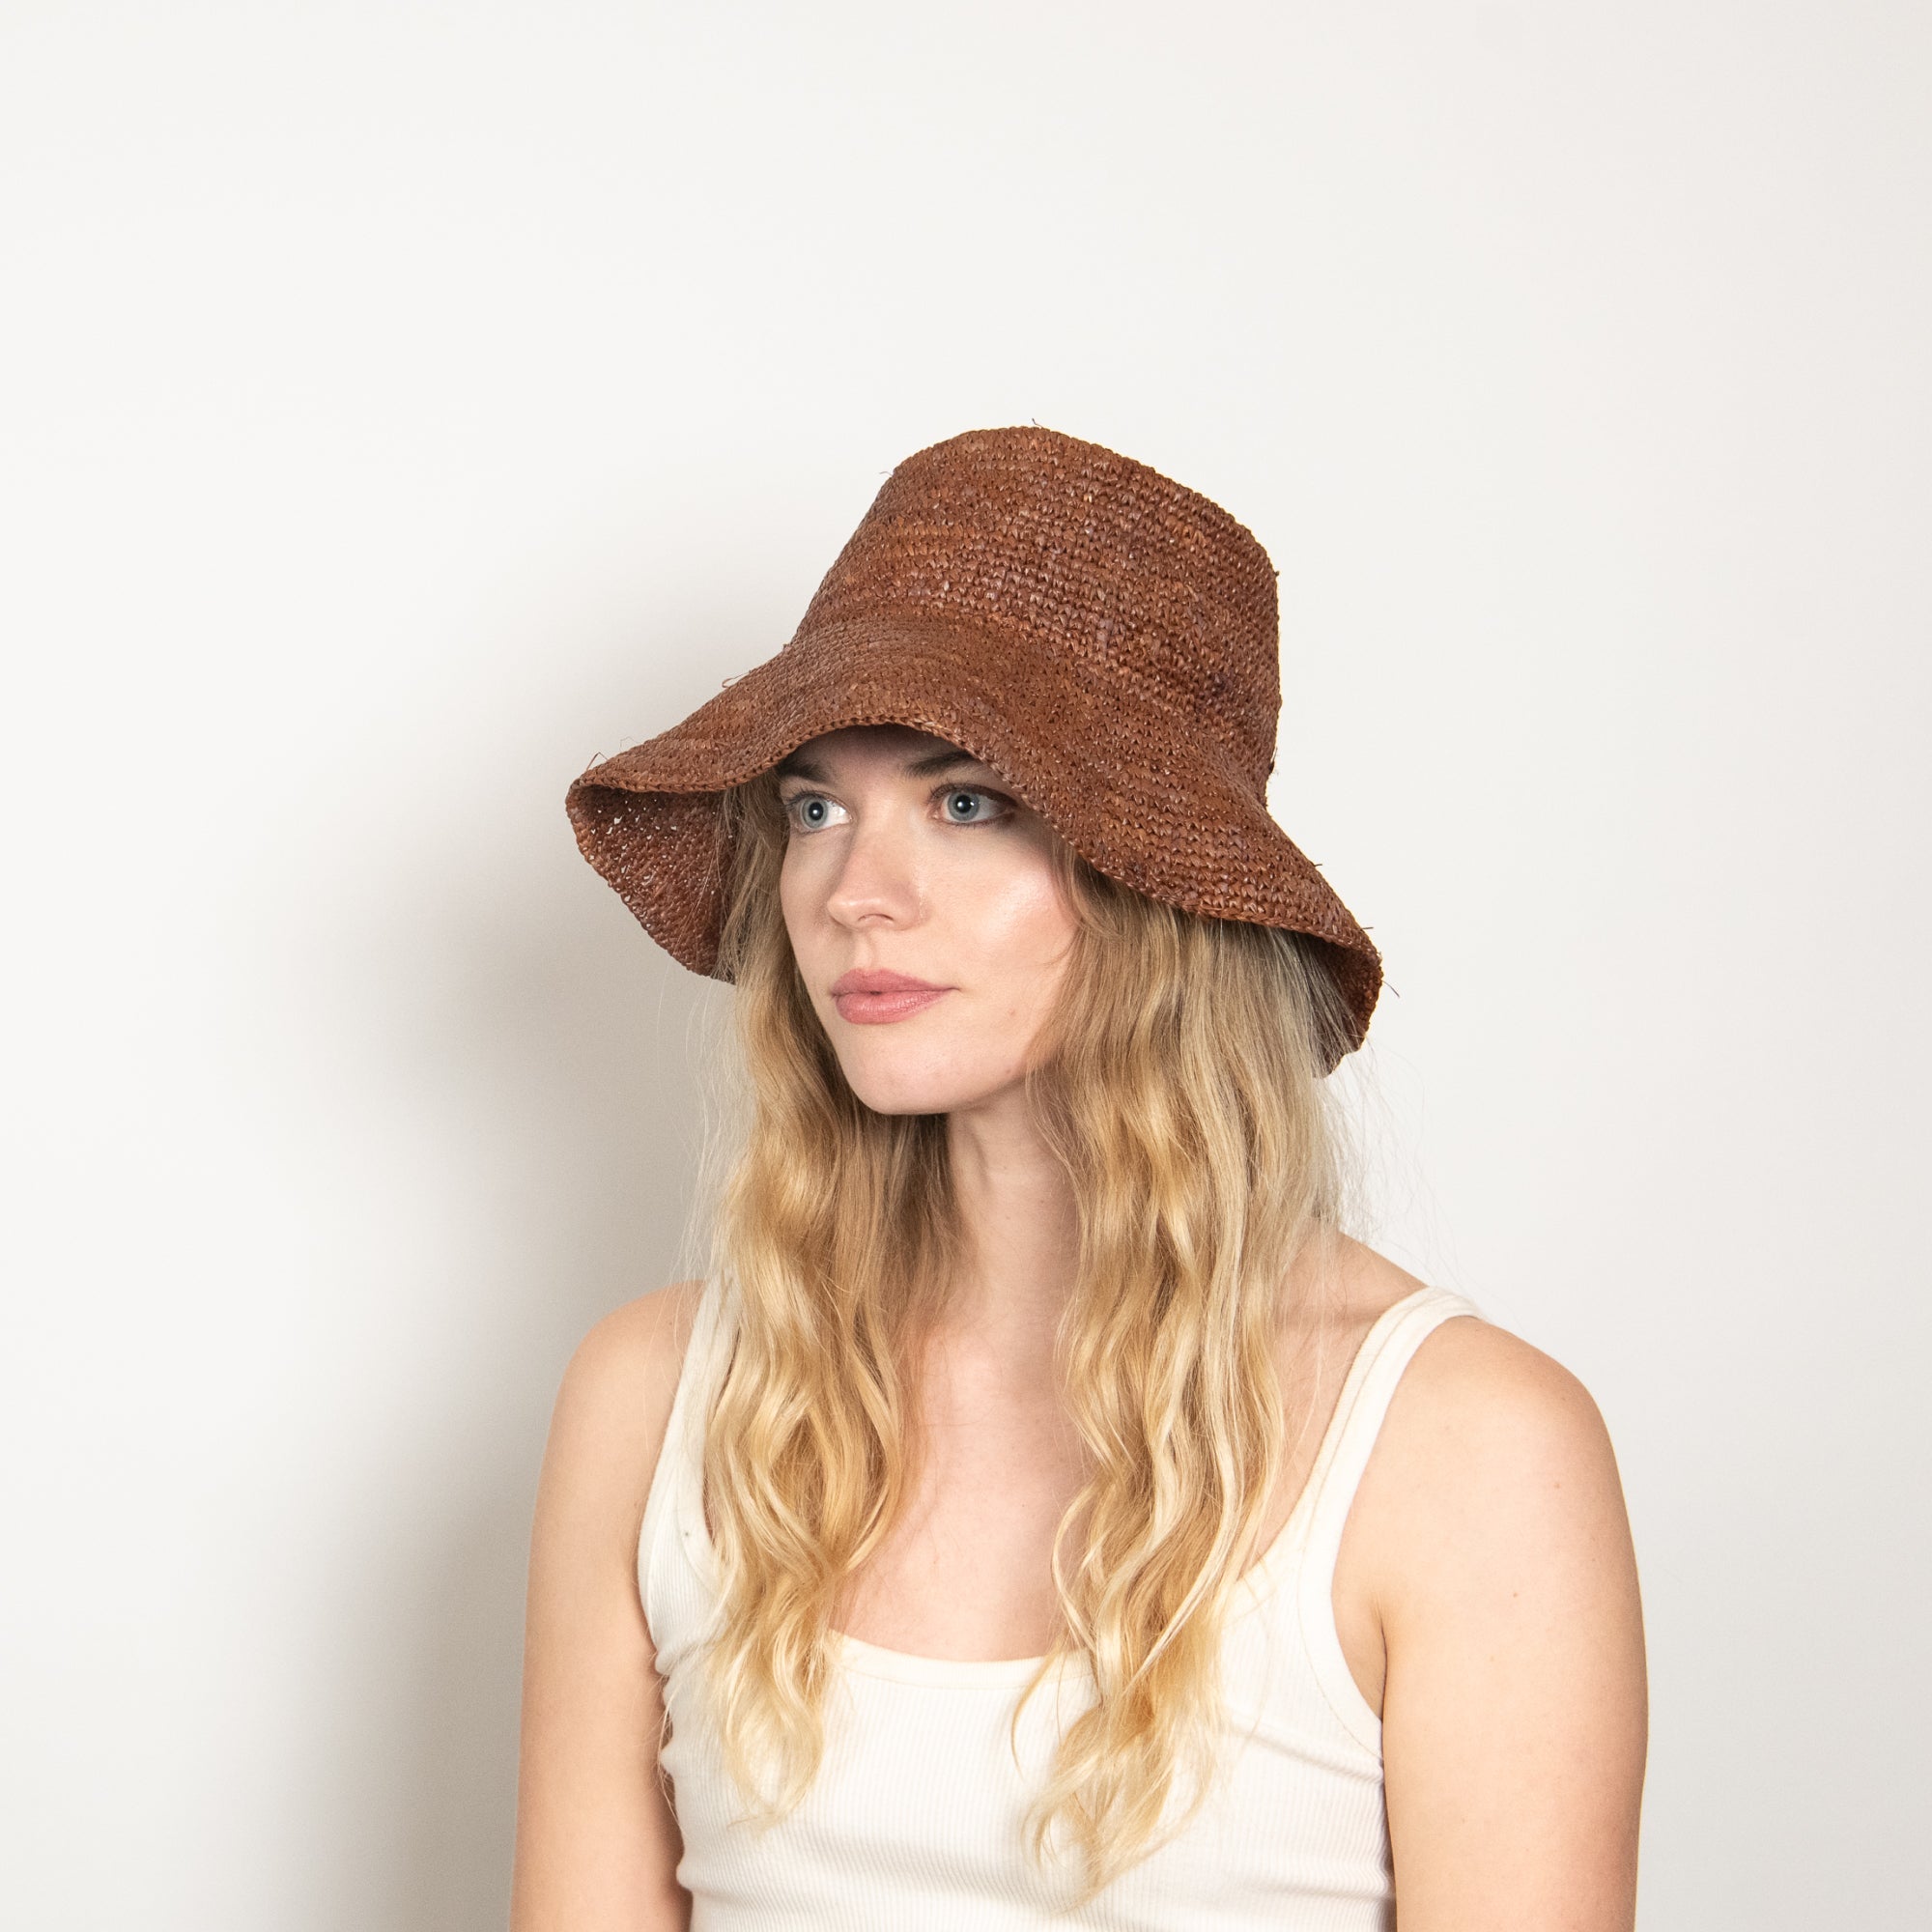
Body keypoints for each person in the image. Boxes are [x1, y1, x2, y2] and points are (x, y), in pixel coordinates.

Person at [511, 427, 1648, 1930]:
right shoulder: (659, 1398)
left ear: (1158, 884)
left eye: (967, 801)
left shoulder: (1463, 1452)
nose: (857, 892)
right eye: (814, 805)